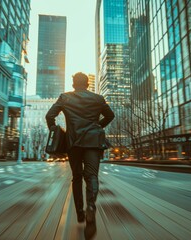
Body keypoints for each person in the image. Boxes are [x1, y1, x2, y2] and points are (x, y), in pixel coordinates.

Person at [46, 72, 115, 239]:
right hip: (93, 142)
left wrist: (55, 131)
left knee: (77, 177)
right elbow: (110, 115)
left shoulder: (65, 97)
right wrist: (96, 126)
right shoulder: (98, 98)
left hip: (73, 142)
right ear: (88, 84)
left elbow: (50, 116)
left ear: (73, 84)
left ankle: (79, 212)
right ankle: (91, 207)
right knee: (91, 176)